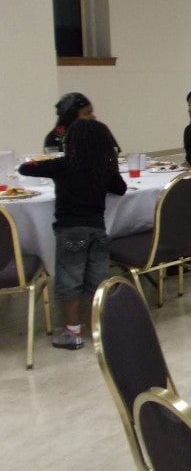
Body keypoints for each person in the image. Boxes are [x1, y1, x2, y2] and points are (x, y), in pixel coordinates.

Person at [19, 119, 126, 350]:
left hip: (70, 231)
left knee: (70, 279)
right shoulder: (104, 168)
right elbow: (121, 188)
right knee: (97, 280)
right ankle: (99, 328)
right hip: (97, 231)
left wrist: (40, 160)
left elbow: (24, 169)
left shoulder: (63, 165)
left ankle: (73, 331)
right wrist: (111, 164)